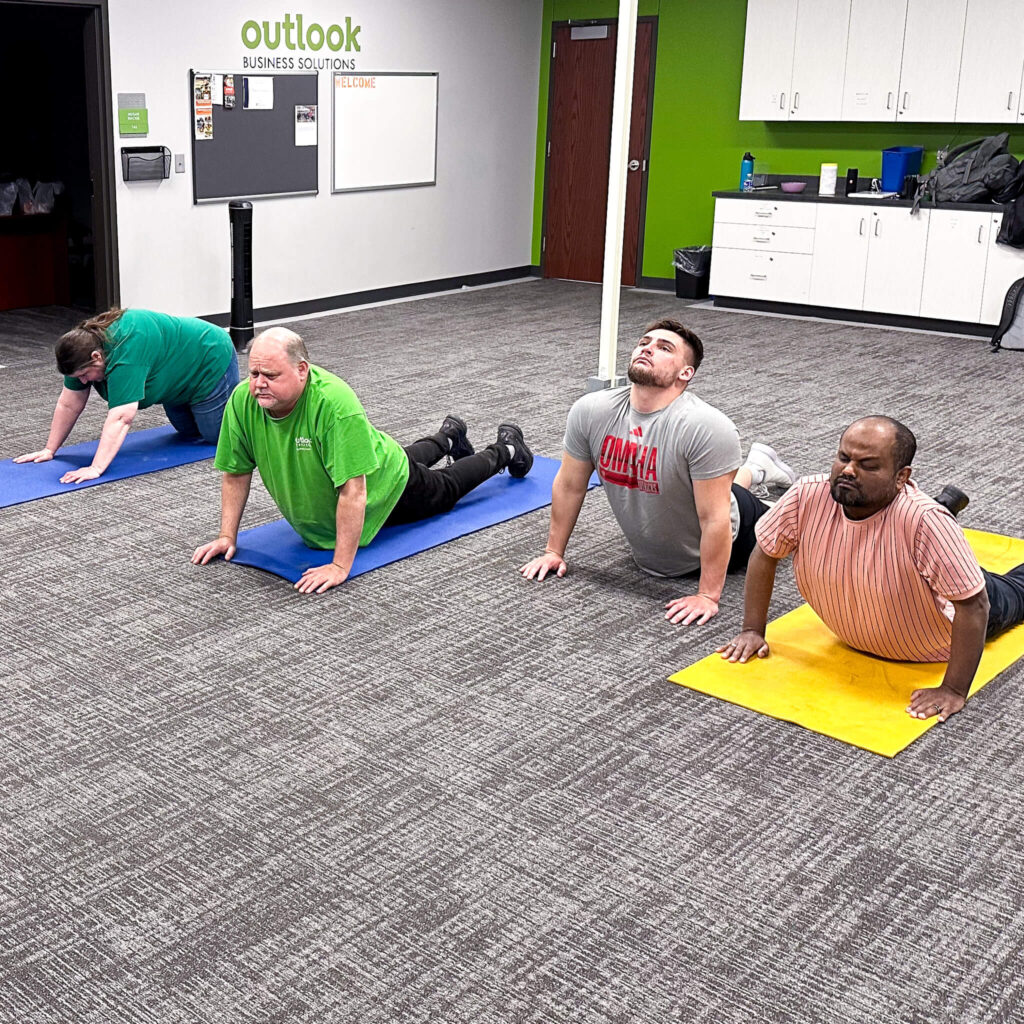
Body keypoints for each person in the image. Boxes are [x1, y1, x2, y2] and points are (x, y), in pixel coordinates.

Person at [718, 416, 1024, 722]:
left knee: (1013, 588)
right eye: (843, 458)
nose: (848, 470)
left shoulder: (925, 522)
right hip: (909, 560)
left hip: (942, 629)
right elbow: (765, 553)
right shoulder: (806, 494)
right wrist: (752, 630)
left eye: (868, 465)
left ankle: (943, 511)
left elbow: (974, 605)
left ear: (902, 476)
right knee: (924, 529)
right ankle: (945, 508)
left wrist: (954, 690)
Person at [191, 327, 534, 594]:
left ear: (301, 371)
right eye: (253, 374)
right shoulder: (242, 402)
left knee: (445, 489)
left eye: (271, 376)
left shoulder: (334, 405)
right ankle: (448, 437)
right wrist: (227, 535)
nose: (258, 385)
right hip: (375, 453)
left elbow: (354, 491)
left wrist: (340, 566)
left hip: (387, 487)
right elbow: (235, 473)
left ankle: (506, 450)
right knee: (402, 455)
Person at [519, 317, 796, 626]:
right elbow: (570, 485)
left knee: (786, 520)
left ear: (685, 373)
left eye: (664, 348)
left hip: (732, 533)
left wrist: (707, 596)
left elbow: (714, 517)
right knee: (701, 483)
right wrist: (553, 551)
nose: (648, 349)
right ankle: (757, 466)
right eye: (644, 343)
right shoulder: (592, 411)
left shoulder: (706, 427)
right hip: (684, 499)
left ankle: (772, 480)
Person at [14, 307, 238, 484]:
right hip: (176, 381)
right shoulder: (79, 352)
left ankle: (249, 399)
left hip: (209, 359)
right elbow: (69, 404)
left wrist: (96, 467)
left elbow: (122, 417)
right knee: (188, 434)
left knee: (216, 437)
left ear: (97, 357)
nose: (82, 381)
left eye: (84, 375)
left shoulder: (126, 351)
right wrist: (50, 449)